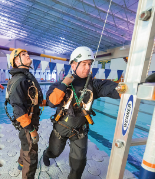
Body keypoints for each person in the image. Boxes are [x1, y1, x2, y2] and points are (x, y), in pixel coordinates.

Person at [42, 46, 121, 179]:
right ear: (73, 65)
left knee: (79, 163)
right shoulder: (59, 84)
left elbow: (110, 88)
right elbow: (51, 102)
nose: (87, 67)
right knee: (54, 152)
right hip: (61, 127)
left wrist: (126, 88)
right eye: (83, 64)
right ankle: (46, 154)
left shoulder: (93, 85)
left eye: (89, 64)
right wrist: (64, 84)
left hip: (80, 130)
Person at [5, 48, 46, 179]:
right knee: (31, 154)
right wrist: (32, 130)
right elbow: (18, 110)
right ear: (17, 61)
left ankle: (21, 163)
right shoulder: (19, 80)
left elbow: (32, 98)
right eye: (23, 54)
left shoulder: (25, 76)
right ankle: (26, 168)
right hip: (27, 123)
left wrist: (47, 102)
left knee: (25, 144)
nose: (27, 55)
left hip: (30, 120)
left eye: (27, 53)